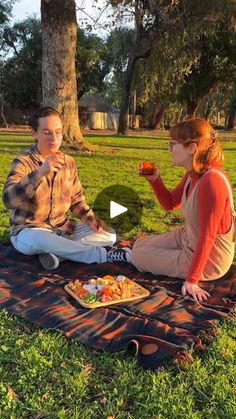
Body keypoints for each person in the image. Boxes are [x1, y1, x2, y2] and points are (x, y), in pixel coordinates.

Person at [2, 107, 131, 270]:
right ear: (34, 133)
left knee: (109, 233)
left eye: (58, 132)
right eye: (47, 132)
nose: (54, 138)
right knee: (42, 240)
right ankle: (102, 255)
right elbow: (8, 200)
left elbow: (77, 201)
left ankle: (57, 255)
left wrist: (91, 220)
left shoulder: (68, 162)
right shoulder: (24, 162)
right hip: (29, 231)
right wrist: (40, 173)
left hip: (62, 229)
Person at [130, 118, 235, 302]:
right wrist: (155, 179)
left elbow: (207, 237)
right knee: (138, 245)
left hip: (209, 260)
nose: (169, 149)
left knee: (137, 256)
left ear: (191, 148)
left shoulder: (212, 182)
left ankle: (133, 257)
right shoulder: (193, 174)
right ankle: (138, 254)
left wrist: (192, 280)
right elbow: (170, 204)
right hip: (187, 237)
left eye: (173, 144)